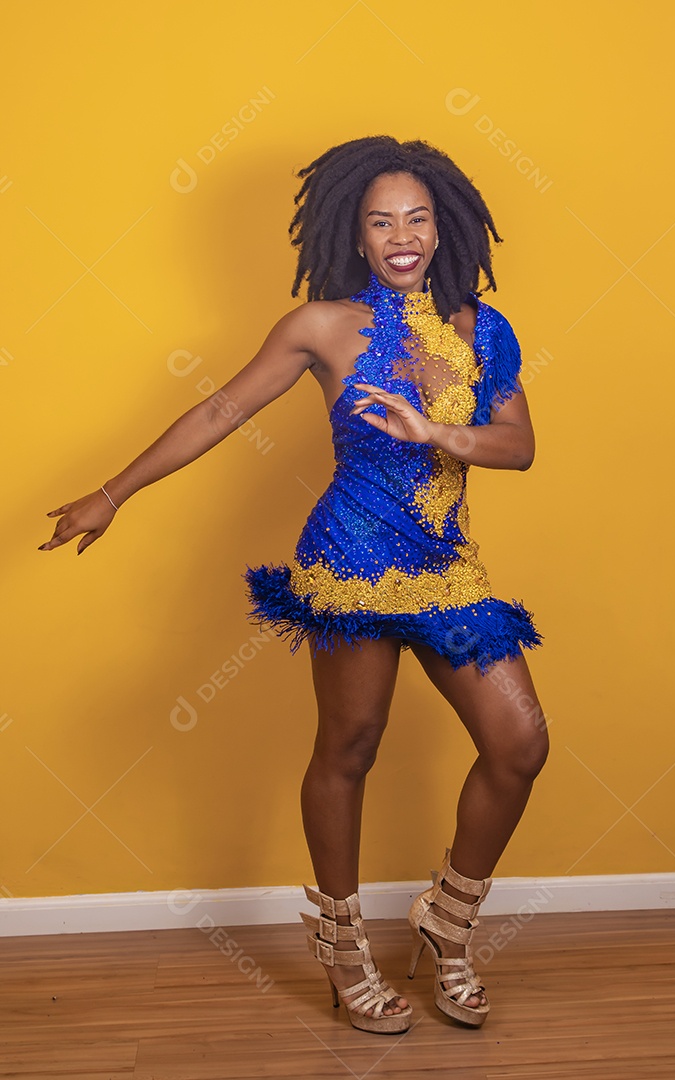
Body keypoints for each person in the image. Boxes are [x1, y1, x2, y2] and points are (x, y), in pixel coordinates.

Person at [39, 136, 549, 1036]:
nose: (403, 234)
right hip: (350, 560)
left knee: (519, 743)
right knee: (350, 746)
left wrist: (443, 432)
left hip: (446, 569)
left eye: (419, 218)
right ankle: (345, 949)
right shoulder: (320, 327)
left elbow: (519, 444)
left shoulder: (483, 327)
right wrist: (112, 492)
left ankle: (448, 922)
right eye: (382, 219)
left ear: (443, 229)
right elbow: (220, 409)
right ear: (356, 233)